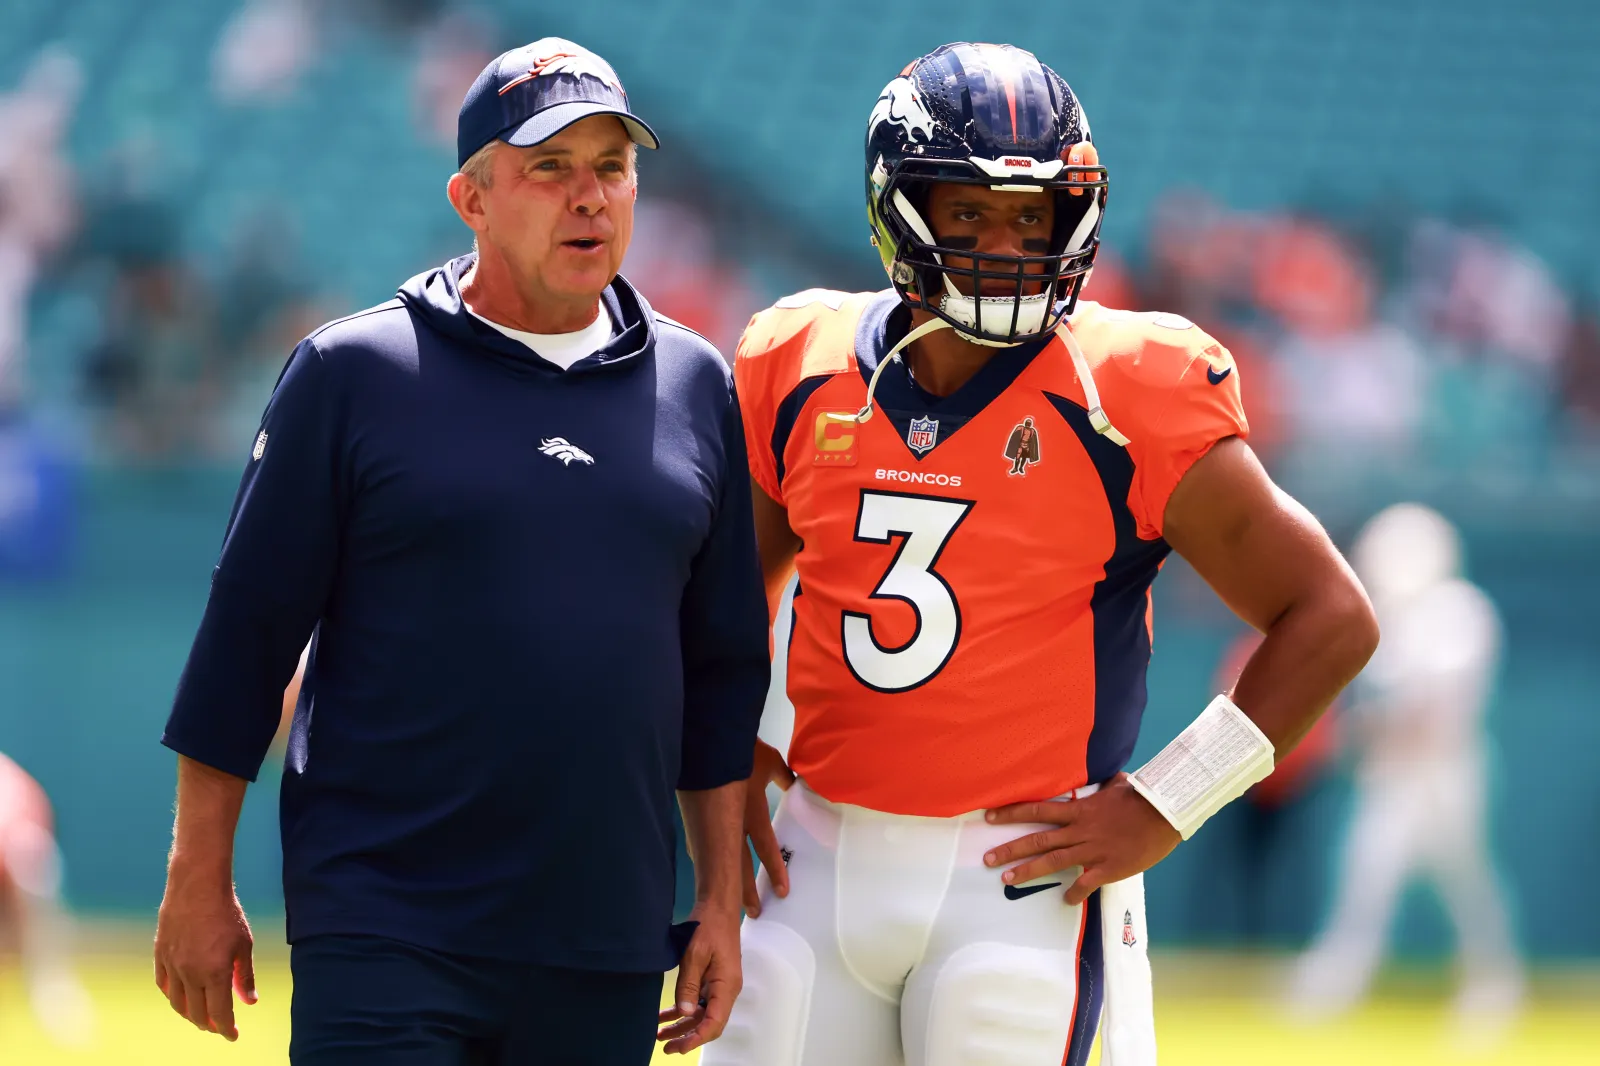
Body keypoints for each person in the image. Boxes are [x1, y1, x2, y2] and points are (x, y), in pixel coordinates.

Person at [694, 42, 1379, 1066]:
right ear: (899, 205)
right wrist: (734, 747)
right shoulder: (798, 359)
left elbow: (1332, 617)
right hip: (818, 851)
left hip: (1018, 874)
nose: (1006, 244)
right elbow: (732, 589)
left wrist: (1164, 800)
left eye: (1032, 216)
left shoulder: (1127, 390)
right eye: (968, 211)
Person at [152, 38, 769, 1065]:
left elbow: (718, 668)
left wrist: (714, 900)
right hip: (387, 920)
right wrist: (196, 870)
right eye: (549, 168)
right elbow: (247, 636)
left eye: (611, 168)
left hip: (601, 934)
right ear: (471, 197)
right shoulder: (354, 372)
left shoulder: (696, 384)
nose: (589, 198)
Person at [1290, 503, 1524, 1040]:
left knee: (1466, 882)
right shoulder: (1389, 616)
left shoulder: (1462, 611)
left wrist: (1382, 727)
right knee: (1366, 878)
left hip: (1446, 773)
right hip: (1396, 776)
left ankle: (1494, 986)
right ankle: (1335, 982)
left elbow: (1433, 701)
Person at [0, 752, 94, 1046]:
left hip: (16, 870)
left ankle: (52, 988)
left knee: (30, 856)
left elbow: (29, 827)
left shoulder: (9, 779)